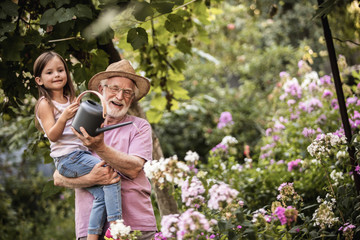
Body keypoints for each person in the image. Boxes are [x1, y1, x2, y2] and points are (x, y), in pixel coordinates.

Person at [52, 59, 157, 240]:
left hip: (135, 228)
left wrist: (99, 147)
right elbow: (59, 177)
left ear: (131, 99)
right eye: (114, 89)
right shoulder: (81, 124)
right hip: (91, 231)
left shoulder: (139, 126)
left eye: (127, 93)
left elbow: (133, 169)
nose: (119, 97)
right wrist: (89, 179)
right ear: (101, 90)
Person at [33, 51, 123, 240]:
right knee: (110, 174)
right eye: (49, 73)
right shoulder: (44, 103)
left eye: (60, 70)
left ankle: (92, 237)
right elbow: (53, 135)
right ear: (39, 80)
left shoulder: (70, 100)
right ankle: (116, 227)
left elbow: (79, 130)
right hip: (68, 158)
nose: (56, 75)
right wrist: (64, 116)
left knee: (100, 194)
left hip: (78, 155)